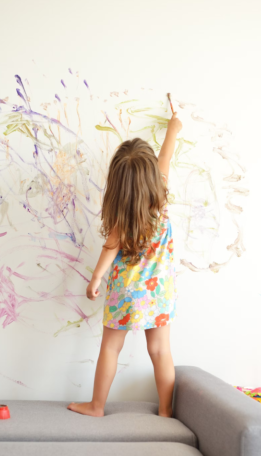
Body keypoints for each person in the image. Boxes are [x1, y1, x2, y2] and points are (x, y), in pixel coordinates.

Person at [67, 111, 183, 418]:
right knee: (160, 351)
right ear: (151, 174)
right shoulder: (161, 201)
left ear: (118, 182)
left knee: (110, 348)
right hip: (158, 292)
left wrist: (95, 280)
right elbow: (166, 155)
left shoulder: (122, 215)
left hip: (125, 291)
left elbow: (110, 248)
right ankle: (166, 410)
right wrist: (174, 126)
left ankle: (96, 406)